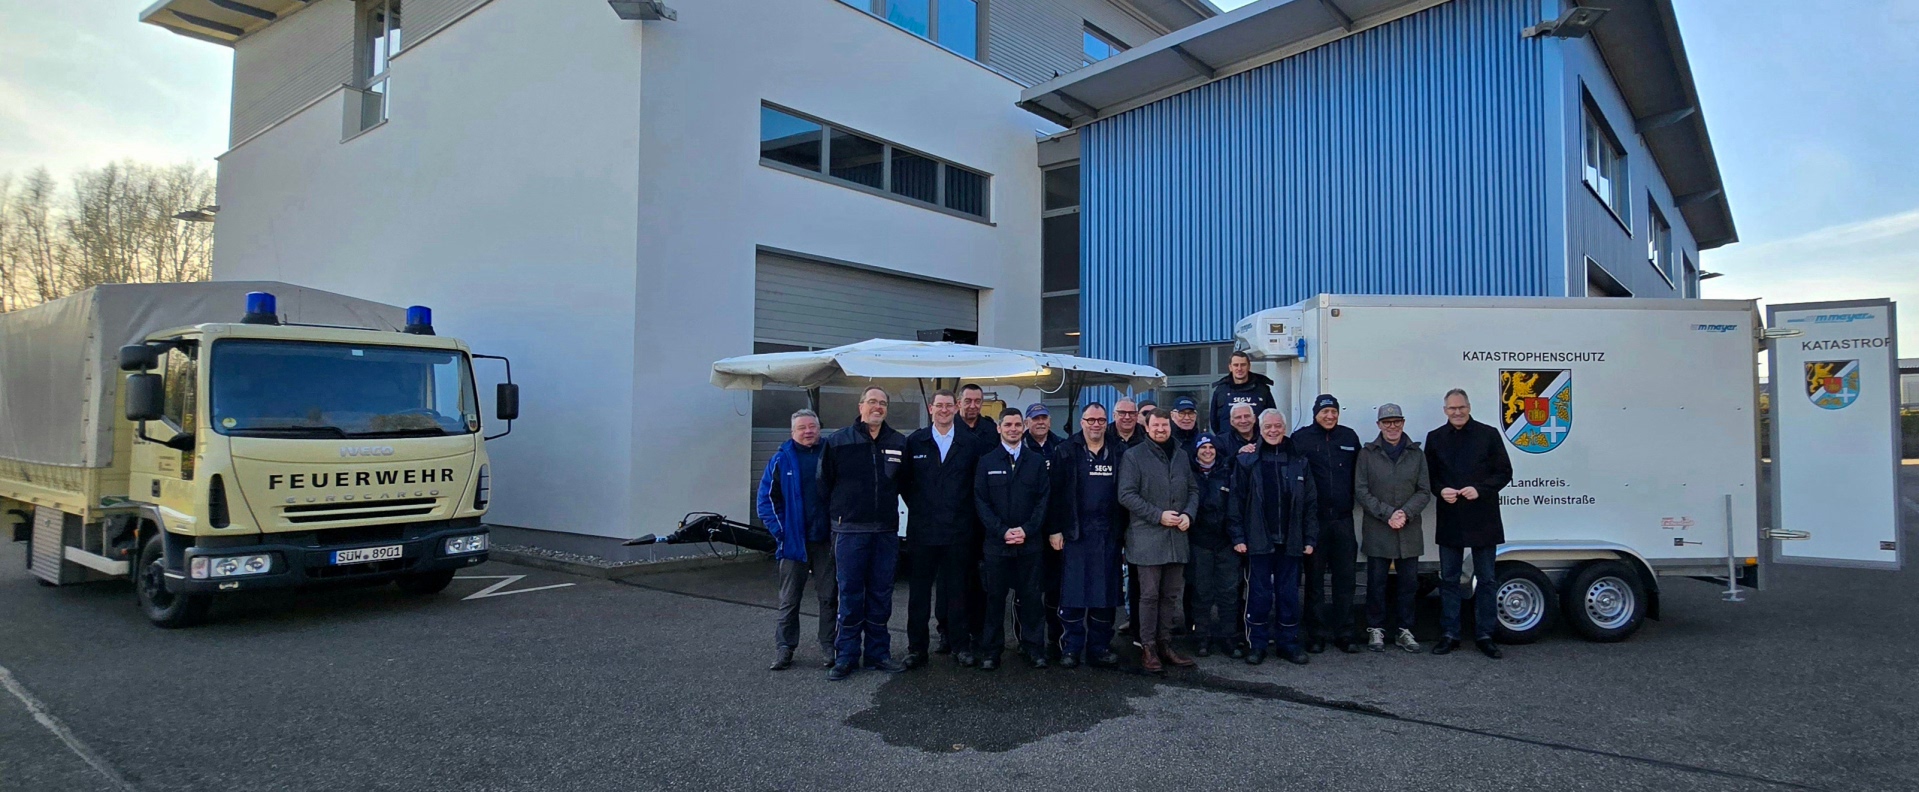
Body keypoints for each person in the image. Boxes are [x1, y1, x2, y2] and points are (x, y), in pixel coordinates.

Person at [818, 386, 910, 681]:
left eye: (883, 403)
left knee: (881, 594)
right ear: (861, 406)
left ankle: (877, 654)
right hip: (850, 531)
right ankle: (845, 656)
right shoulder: (838, 442)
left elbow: (908, 486)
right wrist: (837, 518)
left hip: (884, 531)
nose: (878, 407)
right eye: (872, 401)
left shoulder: (898, 442)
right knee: (850, 594)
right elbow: (823, 485)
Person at [1424, 388, 1513, 659]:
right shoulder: (1435, 438)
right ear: (1445, 411)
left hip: (1483, 516)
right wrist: (1440, 490)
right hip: (1451, 517)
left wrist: (1481, 490)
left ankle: (1486, 634)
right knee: (1449, 580)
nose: (1457, 412)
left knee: (1486, 580)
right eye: (1452, 408)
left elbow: (1504, 472)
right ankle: (1450, 634)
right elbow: (1429, 477)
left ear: (1469, 407)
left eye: (1461, 407)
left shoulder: (1488, 434)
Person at [1229, 409, 1318, 665]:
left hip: (1291, 541)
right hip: (1258, 541)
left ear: (1284, 427)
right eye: (1268, 426)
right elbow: (1236, 501)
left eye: (1277, 426)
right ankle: (1256, 644)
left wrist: (1310, 538)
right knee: (1259, 595)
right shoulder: (1248, 461)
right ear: (1260, 427)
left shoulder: (1298, 461)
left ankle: (1287, 643)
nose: (1273, 430)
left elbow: (1311, 503)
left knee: (1288, 594)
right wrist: (1238, 536)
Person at [901, 390, 980, 669]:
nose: (944, 410)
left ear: (956, 408)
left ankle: (960, 646)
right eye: (940, 406)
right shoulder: (915, 442)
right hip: (923, 531)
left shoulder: (970, 443)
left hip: (959, 531)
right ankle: (916, 649)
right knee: (919, 594)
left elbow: (975, 486)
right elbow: (905, 484)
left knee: (958, 592)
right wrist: (924, 508)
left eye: (949, 405)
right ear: (930, 408)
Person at [1046, 403, 1126, 669]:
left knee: (1104, 596)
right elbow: (1054, 493)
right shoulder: (1066, 451)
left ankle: (1099, 647)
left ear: (1106, 423)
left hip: (1108, 534)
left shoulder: (1118, 450)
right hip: (1075, 533)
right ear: (1082, 422)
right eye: (1090, 420)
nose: (1096, 425)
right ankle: (1071, 648)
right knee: (1073, 595)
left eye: (1100, 420)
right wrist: (1055, 529)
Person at [1118, 411, 1198, 672]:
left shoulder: (1181, 454)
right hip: (1147, 537)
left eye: (1165, 425)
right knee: (1150, 596)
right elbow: (1126, 495)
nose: (1161, 429)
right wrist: (1158, 515)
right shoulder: (1134, 456)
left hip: (1177, 536)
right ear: (1147, 427)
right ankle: (1148, 647)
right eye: (1156, 425)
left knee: (1171, 595)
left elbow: (1194, 489)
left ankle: (1165, 643)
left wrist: (1189, 513)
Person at [756, 409, 835, 671]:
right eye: (802, 428)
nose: (808, 431)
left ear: (819, 428)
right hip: (793, 543)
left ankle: (829, 645)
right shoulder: (782, 460)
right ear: (793, 432)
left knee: (829, 596)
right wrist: (782, 532)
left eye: (812, 426)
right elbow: (766, 500)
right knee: (789, 598)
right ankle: (785, 648)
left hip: (826, 540)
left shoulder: (830, 454)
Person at [974, 409, 1052, 670]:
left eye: (1018, 424)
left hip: (1029, 544)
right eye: (1008, 424)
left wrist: (1027, 530)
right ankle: (991, 651)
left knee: (1031, 599)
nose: (1013, 429)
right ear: (999, 428)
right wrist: (1002, 531)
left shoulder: (1036, 461)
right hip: (997, 545)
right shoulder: (986, 462)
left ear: (1025, 427)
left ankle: (1033, 648)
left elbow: (1043, 500)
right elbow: (981, 501)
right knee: (994, 599)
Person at [1354, 403, 1429, 653]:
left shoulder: (1416, 454)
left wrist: (1404, 513)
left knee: (1408, 585)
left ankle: (1404, 631)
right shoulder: (1367, 454)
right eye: (1387, 422)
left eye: (1396, 421)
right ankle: (1376, 629)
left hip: (1408, 529)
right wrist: (1388, 514)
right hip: (1378, 529)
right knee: (1376, 583)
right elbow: (1361, 490)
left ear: (1403, 423)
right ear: (1379, 426)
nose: (1392, 426)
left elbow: (1424, 491)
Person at [1292, 394, 1362, 654]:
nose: (1330, 416)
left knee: (1346, 581)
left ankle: (1345, 633)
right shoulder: (1301, 438)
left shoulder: (1349, 437)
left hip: (1343, 520)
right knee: (1314, 582)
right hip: (1315, 522)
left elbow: (1360, 474)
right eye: (1325, 412)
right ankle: (1316, 634)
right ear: (1315, 414)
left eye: (1333, 411)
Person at [1186, 433, 1240, 658]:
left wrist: (1237, 538)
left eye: (1211, 448)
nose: (1207, 451)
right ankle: (1202, 639)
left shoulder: (1227, 474)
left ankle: (1229, 637)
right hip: (1199, 542)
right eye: (1202, 448)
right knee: (1201, 592)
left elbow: (1236, 507)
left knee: (1229, 592)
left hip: (1226, 542)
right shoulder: (1189, 475)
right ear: (1196, 451)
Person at [1022, 403, 1066, 659]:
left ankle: (1055, 637)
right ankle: (1026, 640)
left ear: (1049, 421)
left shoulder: (1061, 447)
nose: (1040, 422)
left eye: (1043, 418)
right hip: (1026, 529)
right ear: (1027, 423)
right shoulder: (1019, 446)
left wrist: (1058, 527)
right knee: (1026, 589)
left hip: (1052, 530)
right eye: (1035, 418)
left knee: (1053, 588)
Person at [1209, 350, 1277, 436]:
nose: (1239, 368)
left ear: (1249, 366)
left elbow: (1272, 416)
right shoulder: (1221, 390)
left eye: (1243, 365)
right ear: (1230, 367)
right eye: (1236, 365)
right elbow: (1214, 421)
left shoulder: (1262, 389)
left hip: (1257, 444)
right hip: (1228, 445)